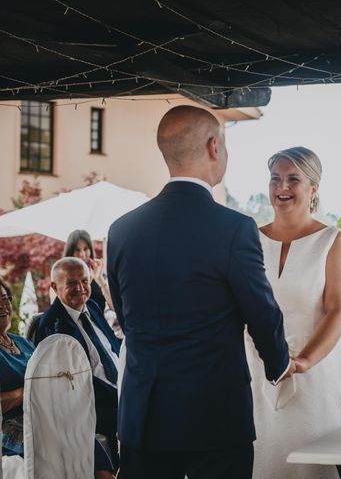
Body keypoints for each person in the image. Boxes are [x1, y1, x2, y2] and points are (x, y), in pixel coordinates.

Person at [107, 105, 293, 479]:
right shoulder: (234, 229)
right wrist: (279, 364)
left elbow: (126, 316)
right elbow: (261, 314)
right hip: (214, 418)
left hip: (143, 417)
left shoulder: (122, 230)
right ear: (213, 146)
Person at [245, 147, 341, 479]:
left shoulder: (332, 240)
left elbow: (340, 311)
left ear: (313, 189)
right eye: (275, 179)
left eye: (293, 179)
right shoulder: (249, 240)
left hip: (315, 377)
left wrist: (303, 361)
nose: (282, 187)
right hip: (256, 376)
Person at [0, 277, 115, 478]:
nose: (3, 306)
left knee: (84, 433)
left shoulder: (24, 344)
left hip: (53, 414)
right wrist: (27, 393)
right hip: (17, 425)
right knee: (61, 439)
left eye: (5, 298)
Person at [33, 257, 121, 465]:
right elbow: (69, 386)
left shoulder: (92, 306)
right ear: (55, 286)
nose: (81, 288)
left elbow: (112, 348)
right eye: (72, 283)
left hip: (122, 389)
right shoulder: (50, 326)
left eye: (85, 281)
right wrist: (119, 395)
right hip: (96, 406)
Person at [64, 229, 112, 312]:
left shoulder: (99, 276)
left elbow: (114, 307)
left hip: (99, 324)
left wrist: (100, 279)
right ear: (70, 253)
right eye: (77, 250)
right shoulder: (61, 278)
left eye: (86, 249)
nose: (82, 254)